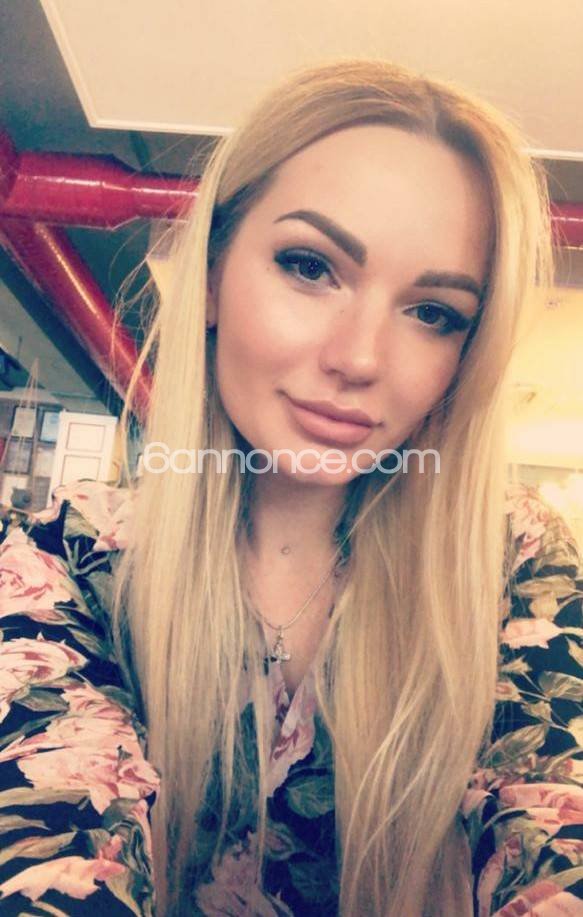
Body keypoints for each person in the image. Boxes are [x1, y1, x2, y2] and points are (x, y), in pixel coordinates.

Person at [0, 58, 582, 917]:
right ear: (210, 277)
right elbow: (47, 826)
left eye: (433, 312)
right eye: (310, 266)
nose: (359, 357)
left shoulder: (514, 562)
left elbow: (554, 808)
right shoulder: (60, 560)